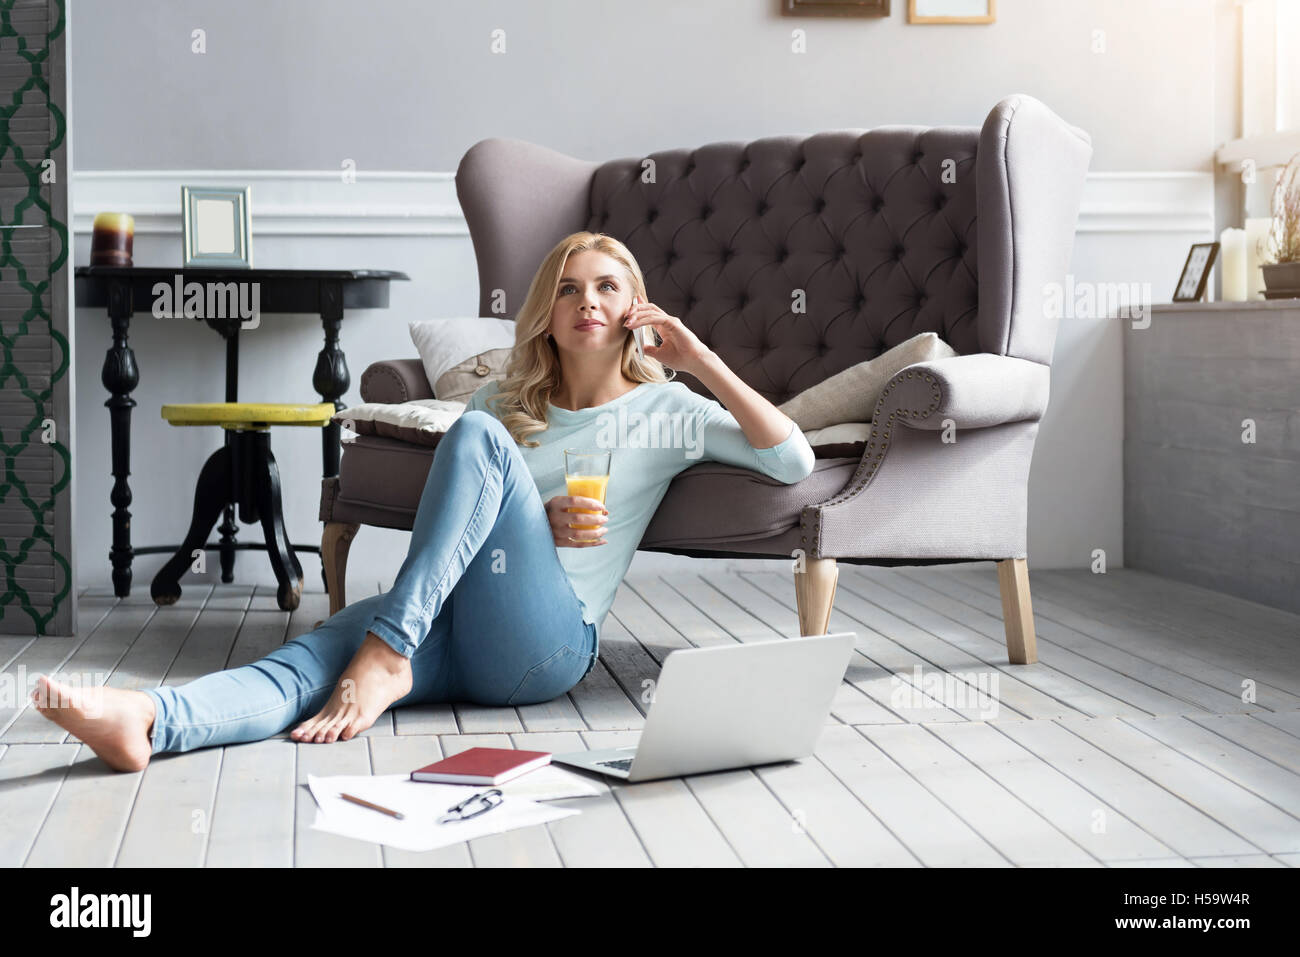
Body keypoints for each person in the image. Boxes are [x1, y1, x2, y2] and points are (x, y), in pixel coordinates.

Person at [32, 231, 815, 772]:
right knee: (302, 664)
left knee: (467, 455)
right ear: (546, 310)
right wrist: (532, 525)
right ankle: (147, 721)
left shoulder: (668, 410)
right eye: (569, 288)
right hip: (450, 625)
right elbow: (477, 515)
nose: (589, 301)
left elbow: (792, 457)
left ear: (635, 308)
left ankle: (387, 650)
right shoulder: (505, 400)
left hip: (545, 645)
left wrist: (700, 356)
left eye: (608, 287)